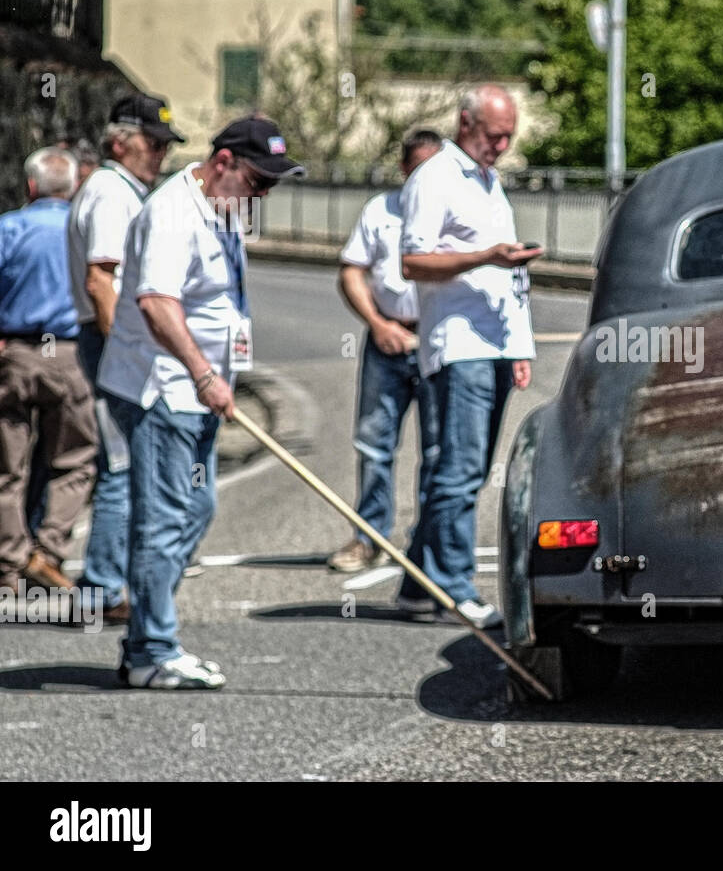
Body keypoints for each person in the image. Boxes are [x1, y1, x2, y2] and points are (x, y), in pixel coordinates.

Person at [97, 116, 302, 689]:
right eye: (258, 181)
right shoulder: (172, 213)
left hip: (196, 391)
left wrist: (218, 376)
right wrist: (205, 373)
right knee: (165, 519)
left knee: (195, 509)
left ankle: (147, 635)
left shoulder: (222, 205)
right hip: (162, 388)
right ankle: (151, 653)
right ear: (223, 164)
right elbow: (159, 304)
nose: (263, 194)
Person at [397, 85, 542, 628]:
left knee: (467, 468)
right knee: (459, 470)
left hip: (494, 343)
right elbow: (413, 261)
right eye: (493, 135)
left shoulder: (488, 180)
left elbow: (509, 278)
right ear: (465, 123)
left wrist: (519, 345)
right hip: (458, 345)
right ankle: (454, 586)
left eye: (508, 136)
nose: (502, 146)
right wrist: (486, 256)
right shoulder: (435, 177)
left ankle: (418, 583)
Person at [67, 94, 186, 623]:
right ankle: (103, 586)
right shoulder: (114, 193)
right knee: (122, 465)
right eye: (152, 142)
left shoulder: (120, 190)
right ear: (120, 141)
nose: (159, 153)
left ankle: (106, 581)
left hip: (106, 339)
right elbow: (101, 279)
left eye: (165, 145)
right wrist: (127, 351)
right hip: (109, 339)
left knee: (124, 463)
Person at [327, 129, 443, 573]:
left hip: (436, 342)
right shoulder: (381, 210)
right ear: (403, 170)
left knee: (437, 452)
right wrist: (378, 324)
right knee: (374, 444)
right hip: (386, 341)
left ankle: (427, 544)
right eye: (418, 171)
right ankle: (369, 538)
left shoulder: (452, 210)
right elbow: (351, 272)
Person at [0, 148, 98, 596]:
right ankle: (49, 549)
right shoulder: (83, 229)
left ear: (32, 186)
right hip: (70, 354)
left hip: (15, 352)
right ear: (73, 186)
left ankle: (8, 563)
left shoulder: (10, 227)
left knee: (8, 465)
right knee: (75, 460)